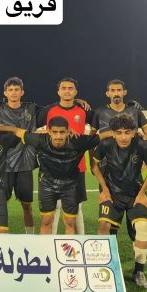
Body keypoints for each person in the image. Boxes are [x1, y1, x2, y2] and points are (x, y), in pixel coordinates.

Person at [0, 116, 103, 234]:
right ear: (49, 131)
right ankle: (46, 246)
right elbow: (16, 130)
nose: (58, 136)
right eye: (55, 132)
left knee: (70, 223)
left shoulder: (78, 141)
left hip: (70, 186)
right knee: (46, 221)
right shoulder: (39, 140)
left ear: (68, 131)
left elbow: (102, 136)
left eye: (62, 132)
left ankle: (69, 247)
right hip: (47, 185)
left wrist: (117, 133)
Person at [92, 114, 147, 289]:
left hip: (135, 194)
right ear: (113, 133)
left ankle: (138, 271)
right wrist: (104, 189)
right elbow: (94, 165)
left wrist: (142, 193)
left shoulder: (143, 146)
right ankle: (106, 265)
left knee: (142, 228)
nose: (123, 137)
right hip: (112, 194)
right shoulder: (105, 144)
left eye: (127, 132)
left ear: (134, 132)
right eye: (119, 132)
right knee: (104, 226)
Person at [37, 77, 94, 234]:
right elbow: (34, 128)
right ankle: (51, 244)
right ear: (58, 91)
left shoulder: (84, 110)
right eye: (64, 88)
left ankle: (79, 241)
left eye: (70, 88)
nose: (67, 91)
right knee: (53, 209)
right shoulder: (48, 110)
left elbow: (96, 129)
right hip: (51, 166)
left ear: (76, 92)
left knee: (77, 207)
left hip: (77, 166)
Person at [0, 77, 41, 234]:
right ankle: (0, 239)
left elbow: (54, 109)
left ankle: (30, 237)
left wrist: (76, 101)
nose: (13, 93)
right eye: (10, 90)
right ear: (5, 92)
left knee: (27, 205)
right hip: (3, 165)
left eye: (16, 89)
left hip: (25, 165)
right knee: (0, 204)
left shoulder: (31, 109)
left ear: (22, 92)